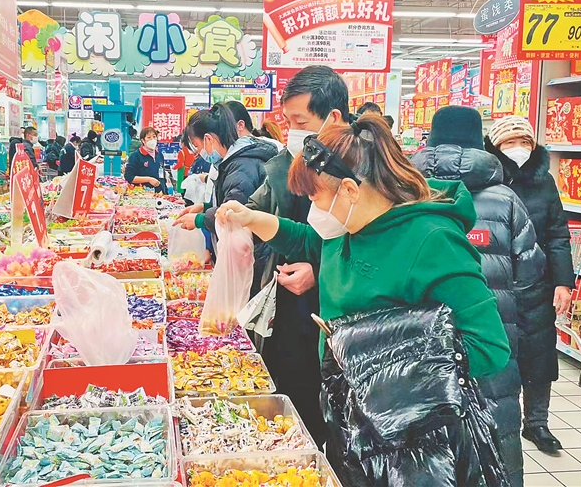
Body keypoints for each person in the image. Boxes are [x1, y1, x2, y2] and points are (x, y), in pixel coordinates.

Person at [217, 113, 511, 484]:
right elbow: (309, 242)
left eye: (315, 197)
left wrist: (373, 356)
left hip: (413, 441)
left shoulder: (431, 240)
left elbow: (488, 346)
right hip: (351, 420)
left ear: (350, 190)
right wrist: (252, 218)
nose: (313, 209)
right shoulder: (347, 227)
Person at [411, 106, 547, 486]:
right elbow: (530, 276)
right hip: (492, 342)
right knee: (497, 438)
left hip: (421, 348)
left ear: (431, 141)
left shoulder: (407, 196)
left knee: (427, 448)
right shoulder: (506, 200)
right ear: (481, 142)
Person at [246, 65, 350, 448]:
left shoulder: (360, 174)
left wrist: (318, 271)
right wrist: (239, 218)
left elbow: (365, 254)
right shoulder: (289, 162)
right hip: (287, 308)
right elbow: (303, 235)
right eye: (287, 121)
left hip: (337, 326)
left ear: (333, 118)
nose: (291, 130)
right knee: (291, 399)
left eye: (300, 122)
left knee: (327, 418)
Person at [485, 115, 576, 455]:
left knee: (539, 356)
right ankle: (493, 423)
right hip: (494, 282)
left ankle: (537, 423)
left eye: (524, 141)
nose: (518, 148)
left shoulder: (544, 181)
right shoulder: (488, 180)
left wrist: (563, 282)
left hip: (537, 283)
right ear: (496, 147)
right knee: (497, 355)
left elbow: (557, 234)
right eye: (510, 142)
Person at [173, 104, 278, 242]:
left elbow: (233, 215)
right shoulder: (231, 162)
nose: (198, 152)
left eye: (197, 146)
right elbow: (233, 200)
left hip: (252, 248)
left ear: (208, 139)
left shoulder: (242, 166)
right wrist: (205, 207)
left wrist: (200, 220)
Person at [124, 127, 167, 193]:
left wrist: (165, 192)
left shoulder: (159, 155)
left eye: (154, 136)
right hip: (142, 194)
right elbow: (129, 177)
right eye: (149, 137)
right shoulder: (136, 156)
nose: (152, 139)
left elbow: (162, 176)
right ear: (143, 140)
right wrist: (149, 179)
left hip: (159, 194)